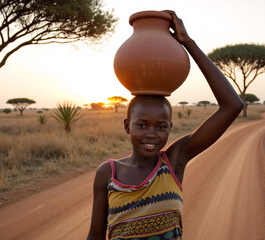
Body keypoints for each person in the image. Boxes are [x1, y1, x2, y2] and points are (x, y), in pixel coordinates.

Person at [87, 10, 244, 240]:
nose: (151, 134)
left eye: (161, 127)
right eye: (142, 125)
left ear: (170, 127)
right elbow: (95, 235)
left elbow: (232, 105)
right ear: (127, 126)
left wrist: (188, 43)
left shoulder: (174, 161)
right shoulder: (108, 173)